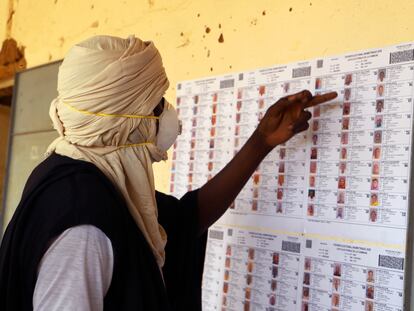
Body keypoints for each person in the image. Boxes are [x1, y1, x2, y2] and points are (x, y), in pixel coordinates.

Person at [0, 35, 337, 311]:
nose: (169, 113)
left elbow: (187, 219)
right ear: (126, 118)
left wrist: (261, 141)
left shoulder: (92, 179)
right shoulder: (84, 222)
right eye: (157, 103)